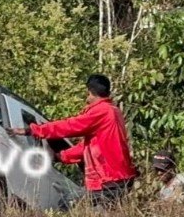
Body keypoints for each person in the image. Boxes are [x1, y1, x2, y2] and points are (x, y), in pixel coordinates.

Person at [9, 74, 138, 207]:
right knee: (99, 214)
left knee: (67, 204)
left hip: (109, 179)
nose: (87, 99)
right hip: (117, 178)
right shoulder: (113, 111)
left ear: (90, 92)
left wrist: (34, 130)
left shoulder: (102, 111)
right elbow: (90, 146)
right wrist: (61, 156)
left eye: (87, 95)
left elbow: (70, 126)